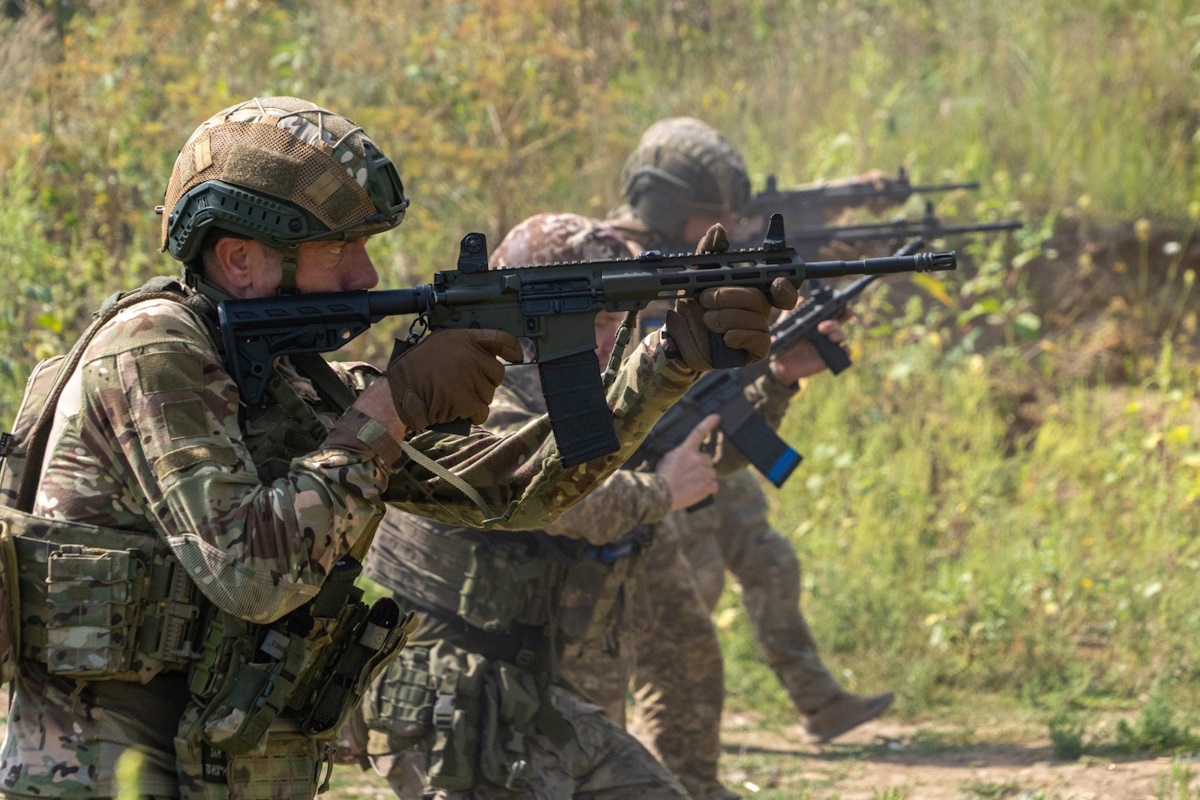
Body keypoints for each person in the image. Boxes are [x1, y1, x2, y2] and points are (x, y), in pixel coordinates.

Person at [0, 99, 766, 800]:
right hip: (100, 770)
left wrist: (667, 362)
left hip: (212, 763)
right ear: (240, 259)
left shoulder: (290, 378)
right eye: (340, 249)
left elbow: (510, 488)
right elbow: (252, 573)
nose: (367, 275)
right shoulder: (149, 353)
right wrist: (392, 405)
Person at [346, 212, 796, 799]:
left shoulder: (589, 387)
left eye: (618, 321)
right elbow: (546, 493)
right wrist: (660, 490)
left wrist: (778, 380)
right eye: (596, 322)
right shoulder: (477, 392)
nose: (611, 340)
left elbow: (697, 453)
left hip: (558, 685)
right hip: (464, 694)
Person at [596, 117, 894, 799]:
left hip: (709, 440)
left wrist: (779, 371)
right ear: (667, 203)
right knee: (672, 628)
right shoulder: (606, 261)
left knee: (756, 569)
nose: (725, 222)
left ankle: (809, 706)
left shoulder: (695, 255)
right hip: (636, 477)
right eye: (712, 211)